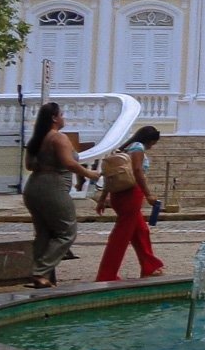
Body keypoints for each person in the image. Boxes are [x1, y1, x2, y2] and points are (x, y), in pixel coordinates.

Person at [21, 102, 100, 289]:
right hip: (53, 187)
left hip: (33, 186)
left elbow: (29, 166)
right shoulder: (58, 138)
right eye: (62, 114)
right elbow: (69, 163)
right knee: (67, 232)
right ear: (55, 118)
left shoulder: (36, 140)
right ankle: (40, 271)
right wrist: (90, 174)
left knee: (44, 233)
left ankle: (43, 277)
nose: (64, 118)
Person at [94, 125, 166, 282]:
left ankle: (149, 266)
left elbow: (109, 175)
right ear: (149, 140)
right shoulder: (138, 148)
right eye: (153, 143)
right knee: (120, 237)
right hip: (131, 194)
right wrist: (148, 194)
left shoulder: (124, 148)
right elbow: (138, 171)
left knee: (141, 231)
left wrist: (103, 197)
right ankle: (107, 273)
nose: (152, 146)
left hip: (117, 194)